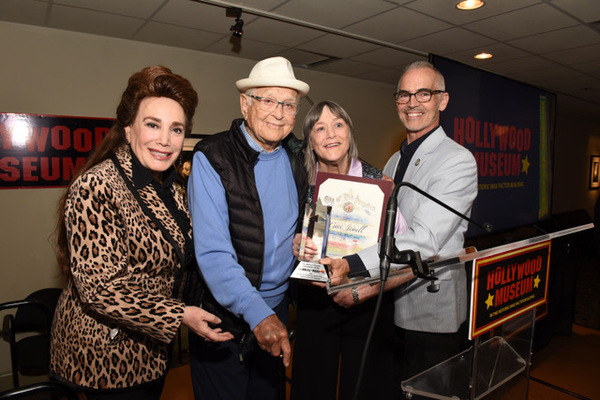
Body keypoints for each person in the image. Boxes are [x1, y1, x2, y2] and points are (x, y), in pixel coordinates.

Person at [50, 65, 233, 400]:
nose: (165, 140)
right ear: (128, 129)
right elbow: (100, 289)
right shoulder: (96, 185)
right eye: (153, 125)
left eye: (176, 129)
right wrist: (180, 314)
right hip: (102, 358)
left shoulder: (172, 188)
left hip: (149, 352)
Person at [326, 61, 478, 389]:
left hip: (431, 313)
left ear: (443, 100)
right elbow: (382, 228)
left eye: (424, 93)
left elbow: (425, 239)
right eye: (404, 95)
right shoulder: (394, 160)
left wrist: (351, 263)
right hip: (390, 307)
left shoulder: (458, 160)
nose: (412, 103)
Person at [187, 56, 309, 400]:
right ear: (245, 103)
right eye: (267, 100)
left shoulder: (297, 158)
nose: (279, 112)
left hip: (278, 310)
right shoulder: (212, 156)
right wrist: (259, 315)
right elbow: (212, 253)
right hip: (222, 319)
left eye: (288, 104)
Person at [290, 100, 408, 400]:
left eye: (338, 124)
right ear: (311, 141)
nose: (330, 134)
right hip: (317, 297)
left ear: (350, 134)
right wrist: (300, 245)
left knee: (367, 386)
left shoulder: (378, 181)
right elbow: (307, 240)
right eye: (320, 128)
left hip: (365, 296)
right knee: (312, 384)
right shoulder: (305, 181)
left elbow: (403, 240)